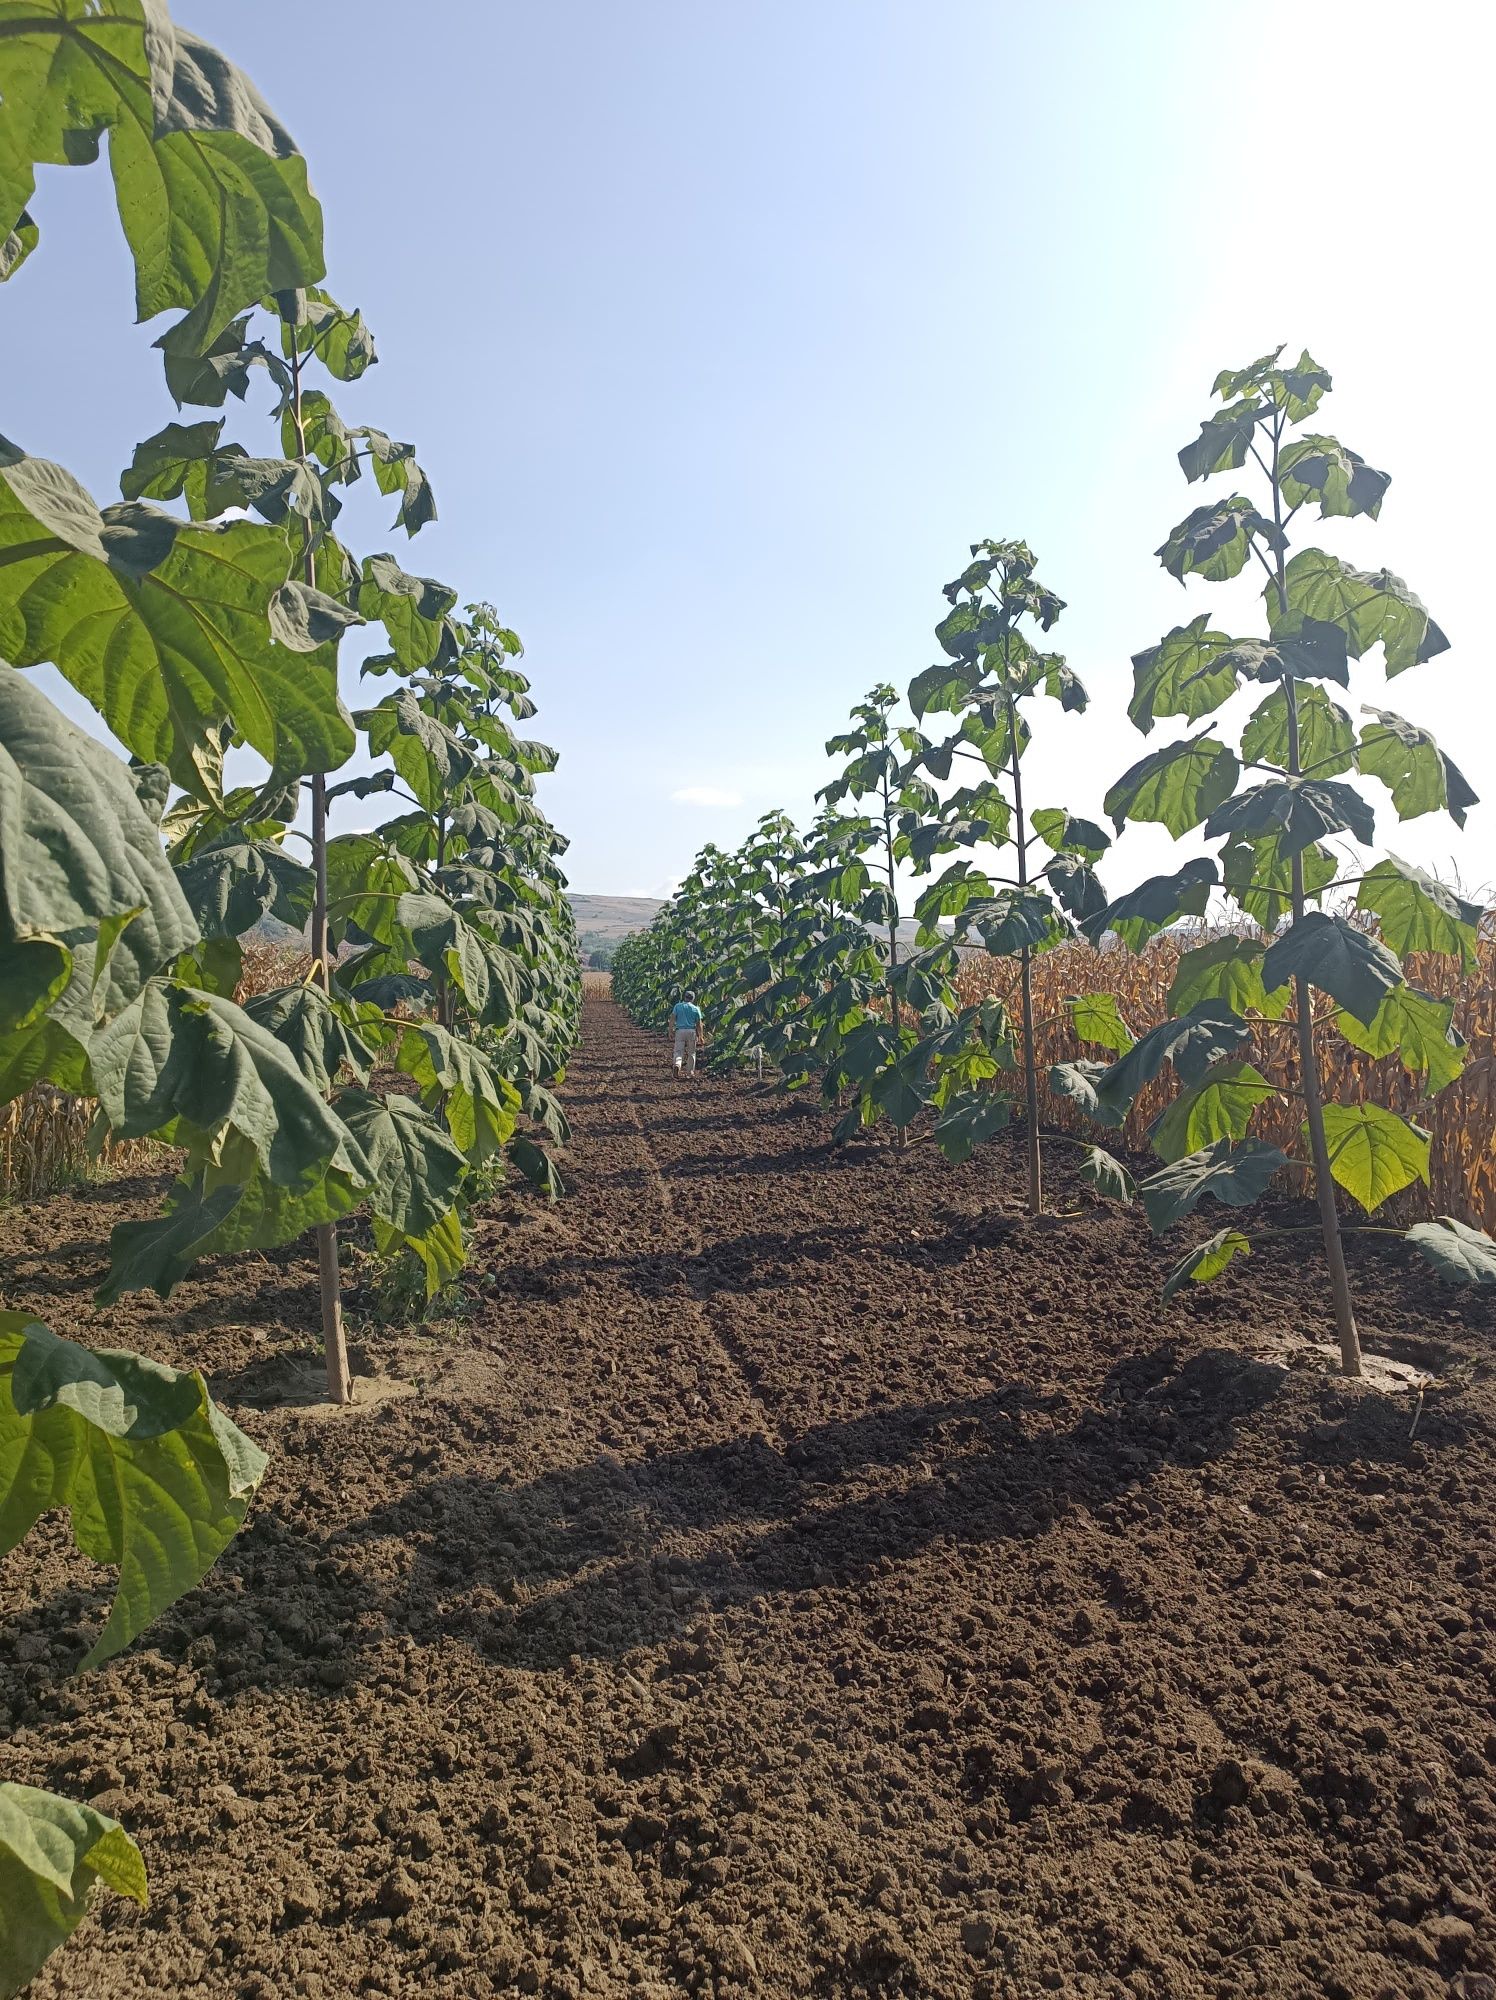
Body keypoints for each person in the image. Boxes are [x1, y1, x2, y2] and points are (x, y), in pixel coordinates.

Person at [669, 990, 704, 1078]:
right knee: (691, 1052)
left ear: (684, 997)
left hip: (680, 1031)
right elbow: (699, 1024)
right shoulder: (696, 1009)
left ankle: (677, 1064)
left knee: (678, 1051)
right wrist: (701, 1036)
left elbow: (672, 1019)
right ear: (693, 999)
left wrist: (670, 1030)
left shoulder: (677, 1006)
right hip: (691, 1031)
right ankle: (690, 1072)